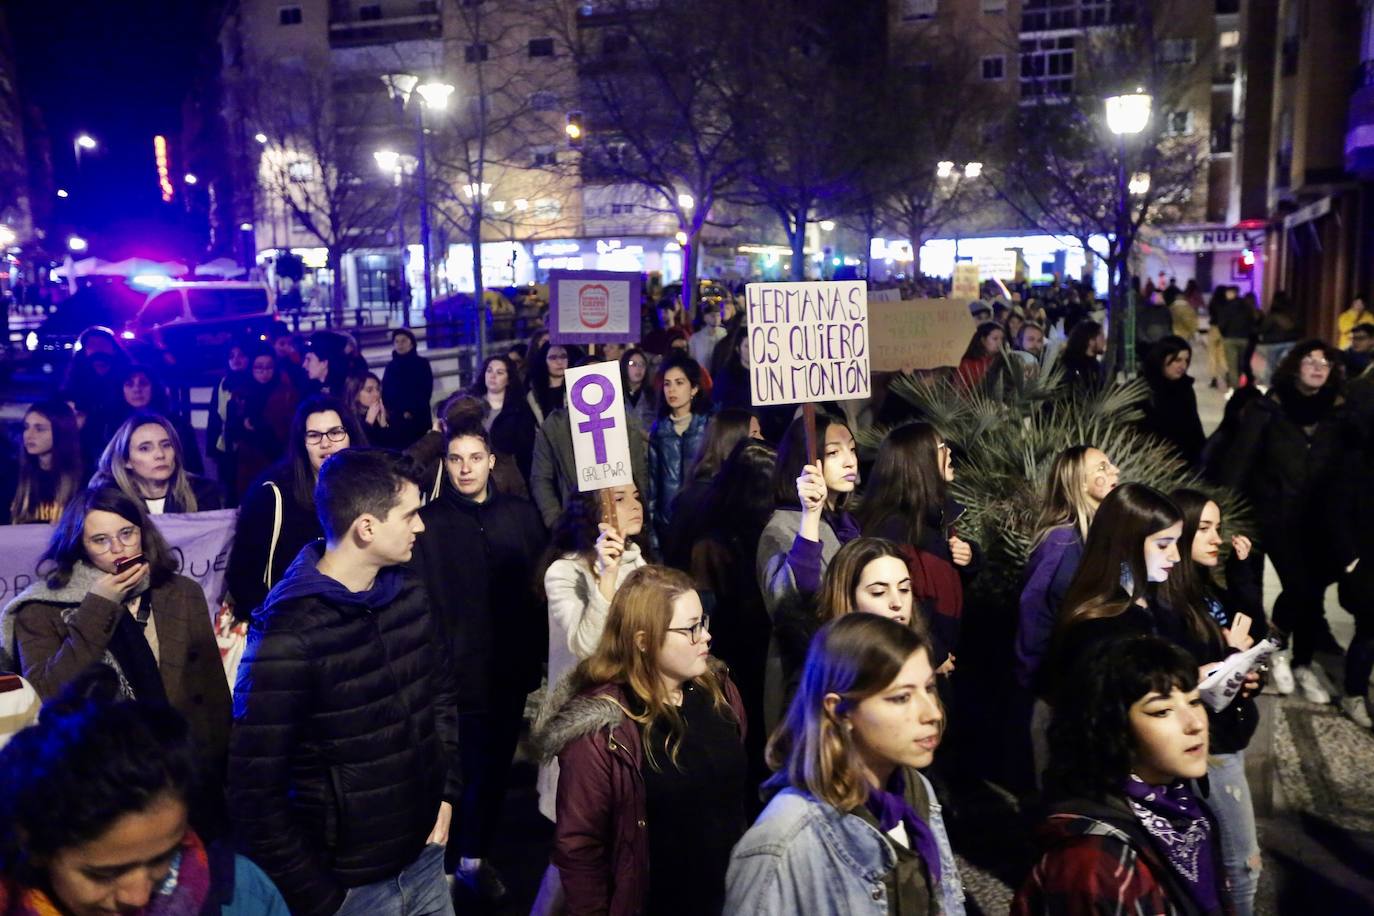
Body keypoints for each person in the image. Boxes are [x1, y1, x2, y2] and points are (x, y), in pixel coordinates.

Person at [227, 449, 460, 916]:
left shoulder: (408, 591)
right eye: (410, 515)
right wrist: (321, 898)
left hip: (425, 860)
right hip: (351, 888)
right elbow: (255, 792)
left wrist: (447, 794)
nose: (421, 527)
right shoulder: (287, 635)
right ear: (367, 528)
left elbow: (440, 697)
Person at [534, 566, 748, 916]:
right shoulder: (603, 731)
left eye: (703, 622)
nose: (705, 637)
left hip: (729, 898)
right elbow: (580, 849)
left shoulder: (719, 691)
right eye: (690, 628)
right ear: (643, 640)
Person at [726, 614, 964, 915]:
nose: (932, 713)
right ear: (839, 710)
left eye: (928, 688)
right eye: (902, 697)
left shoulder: (916, 790)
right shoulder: (784, 841)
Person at [0, 679, 287, 916]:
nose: (138, 897)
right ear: (34, 846)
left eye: (164, 857)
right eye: (104, 875)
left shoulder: (244, 896)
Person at [0, 485, 232, 771]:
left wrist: (220, 764)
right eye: (100, 540)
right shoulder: (40, 608)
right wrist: (100, 605)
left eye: (127, 533)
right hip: (96, 772)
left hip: (184, 763)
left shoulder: (181, 592)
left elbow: (211, 687)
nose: (118, 549)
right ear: (78, 545)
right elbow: (46, 695)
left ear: (143, 533)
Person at [411, 420, 546, 901]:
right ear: (444, 464)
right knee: (455, 773)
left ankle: (474, 857)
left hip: (507, 670)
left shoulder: (520, 515)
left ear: (492, 462)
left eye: (474, 458)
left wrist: (533, 657)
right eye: (455, 458)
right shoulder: (428, 524)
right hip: (454, 675)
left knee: (492, 771)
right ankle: (444, 868)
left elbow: (537, 592)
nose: (465, 468)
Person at [1014, 636, 1227, 915]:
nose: (1195, 724)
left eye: (1195, 701)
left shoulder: (1184, 809)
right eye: (1162, 711)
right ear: (1113, 727)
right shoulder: (1093, 860)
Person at [1221, 340, 1348, 703]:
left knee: (1305, 592)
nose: (1318, 367)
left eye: (1325, 361)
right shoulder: (1268, 409)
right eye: (1310, 360)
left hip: (1314, 520)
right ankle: (1268, 657)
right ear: (1294, 367)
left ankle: (1300, 661)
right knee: (1250, 592)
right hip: (1266, 516)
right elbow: (1239, 464)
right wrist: (1229, 517)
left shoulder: (1337, 413)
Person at [1160, 489, 1266, 914]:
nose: (1216, 538)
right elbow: (1181, 672)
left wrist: (1243, 575)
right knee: (1244, 863)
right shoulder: (1171, 600)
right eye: (1204, 528)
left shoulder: (1207, 590)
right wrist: (1228, 658)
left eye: (1218, 528)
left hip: (1226, 735)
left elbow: (1251, 633)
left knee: (1219, 860)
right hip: (1209, 745)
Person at [539, 485, 648, 820]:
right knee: (580, 838)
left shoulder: (638, 560)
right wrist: (606, 577)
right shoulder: (564, 572)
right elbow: (587, 646)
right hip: (583, 718)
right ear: (593, 512)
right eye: (619, 499)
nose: (635, 505)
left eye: (636, 496)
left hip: (631, 708)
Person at [686, 439, 778, 800]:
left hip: (744, 645)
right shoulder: (717, 543)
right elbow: (706, 603)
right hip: (738, 648)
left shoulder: (719, 533)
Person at [757, 414, 861, 723]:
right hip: (810, 683)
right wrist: (810, 517)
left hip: (852, 671)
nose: (849, 461)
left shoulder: (847, 523)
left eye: (852, 449)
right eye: (833, 452)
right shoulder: (780, 528)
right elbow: (787, 604)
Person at [224, 395, 364, 620]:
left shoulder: (370, 490)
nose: (326, 443)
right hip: (289, 629)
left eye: (336, 432)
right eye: (314, 435)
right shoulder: (272, 495)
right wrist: (276, 622)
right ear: (302, 443)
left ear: (351, 436)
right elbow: (242, 574)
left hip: (351, 623)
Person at [855, 422, 981, 670]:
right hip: (913, 661)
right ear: (919, 462)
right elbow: (901, 605)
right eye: (942, 447)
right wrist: (934, 654)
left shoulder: (936, 515)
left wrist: (970, 558)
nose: (950, 453)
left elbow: (940, 579)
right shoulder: (891, 530)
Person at [1047, 484, 1185, 700]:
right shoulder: (1096, 626)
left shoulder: (1157, 602)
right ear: (1126, 544)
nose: (1175, 556)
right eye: (1163, 545)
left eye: (1177, 543)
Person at [660, 408, 760, 570]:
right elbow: (675, 558)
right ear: (733, 441)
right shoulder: (699, 498)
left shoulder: (740, 491)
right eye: (754, 434)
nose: (761, 440)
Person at [95, 412, 223, 514]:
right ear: (125, 461)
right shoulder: (111, 501)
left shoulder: (203, 492)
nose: (160, 455)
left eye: (166, 445)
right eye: (145, 448)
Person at [647, 354, 712, 546]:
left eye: (679, 383)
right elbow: (652, 485)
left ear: (694, 388)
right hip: (668, 524)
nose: (672, 390)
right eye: (667, 384)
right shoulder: (659, 431)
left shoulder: (709, 426)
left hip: (701, 523)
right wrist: (652, 533)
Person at [103, 365, 204, 477]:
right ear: (121, 390)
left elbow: (193, 467)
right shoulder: (111, 425)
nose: (137, 390)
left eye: (143, 384)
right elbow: (107, 466)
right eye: (129, 384)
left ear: (154, 388)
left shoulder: (177, 424)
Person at [227, 346, 301, 498]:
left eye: (269, 367)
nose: (264, 372)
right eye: (259, 367)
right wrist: (243, 426)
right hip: (248, 459)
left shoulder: (285, 392)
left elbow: (291, 423)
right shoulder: (241, 392)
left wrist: (262, 425)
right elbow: (230, 426)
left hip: (278, 456)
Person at [6, 400, 83, 525]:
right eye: (26, 427)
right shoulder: (12, 476)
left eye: (40, 429)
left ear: (61, 433)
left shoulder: (83, 479)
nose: (28, 435)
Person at [469, 353, 537, 484]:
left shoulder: (519, 410)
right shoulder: (470, 405)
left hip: (505, 477)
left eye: (500, 373)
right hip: (472, 470)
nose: (492, 376)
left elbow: (526, 450)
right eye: (489, 371)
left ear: (509, 379)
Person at [1139, 336, 1206, 466]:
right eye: (1177, 360)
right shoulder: (1145, 389)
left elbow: (1193, 426)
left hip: (1185, 462)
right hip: (1154, 463)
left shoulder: (1185, 387)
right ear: (1162, 359)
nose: (1183, 366)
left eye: (1186, 360)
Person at [207, 342, 250, 504]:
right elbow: (214, 417)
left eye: (240, 355)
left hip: (248, 443)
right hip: (226, 443)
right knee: (229, 488)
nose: (236, 359)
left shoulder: (254, 381)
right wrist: (211, 448)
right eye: (231, 356)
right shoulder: (222, 383)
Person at [382, 328, 434, 447]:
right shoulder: (390, 366)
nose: (400, 344)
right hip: (396, 420)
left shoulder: (422, 364)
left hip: (418, 419)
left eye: (403, 341)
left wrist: (411, 411)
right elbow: (386, 390)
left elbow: (425, 390)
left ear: (411, 343)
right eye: (397, 341)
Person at [353, 371, 405, 448]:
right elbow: (361, 450)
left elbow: (395, 448)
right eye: (369, 390)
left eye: (378, 389)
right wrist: (368, 422)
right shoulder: (349, 419)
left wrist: (383, 424)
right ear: (355, 394)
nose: (377, 394)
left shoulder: (386, 412)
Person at [527, 341, 574, 425]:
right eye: (553, 357)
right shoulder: (534, 394)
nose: (559, 362)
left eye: (563, 356)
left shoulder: (576, 388)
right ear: (543, 361)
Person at [1057, 320, 1106, 395]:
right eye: (1101, 336)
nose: (1104, 340)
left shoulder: (1096, 366)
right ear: (1091, 340)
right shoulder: (1069, 366)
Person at [620, 347, 657, 436]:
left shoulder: (653, 395)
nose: (638, 368)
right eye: (633, 364)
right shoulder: (616, 394)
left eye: (642, 364)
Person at [956, 322, 1005, 388]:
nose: (999, 343)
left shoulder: (1003, 362)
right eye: (995, 339)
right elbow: (957, 390)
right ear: (983, 340)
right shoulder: (967, 364)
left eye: (1002, 339)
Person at [689, 301, 728, 369]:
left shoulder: (724, 334)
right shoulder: (696, 338)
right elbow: (692, 359)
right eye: (712, 315)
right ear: (705, 318)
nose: (716, 318)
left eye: (718, 315)